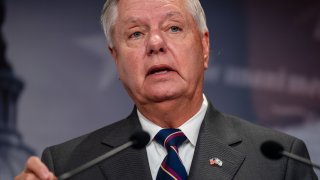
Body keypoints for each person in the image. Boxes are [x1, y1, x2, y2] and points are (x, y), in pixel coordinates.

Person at [15, 0, 318, 179]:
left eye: (173, 28)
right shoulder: (68, 166)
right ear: (115, 59)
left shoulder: (280, 161)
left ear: (204, 46)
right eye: (136, 33)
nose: (156, 44)